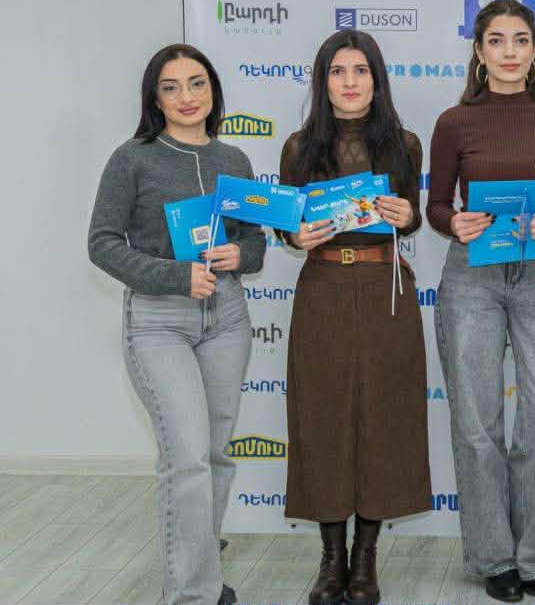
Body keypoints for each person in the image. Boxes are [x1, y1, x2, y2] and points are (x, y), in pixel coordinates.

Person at [88, 44, 265, 605]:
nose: (186, 97)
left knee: (214, 454)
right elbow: (102, 244)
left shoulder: (234, 159)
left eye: (197, 83)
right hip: (159, 321)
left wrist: (242, 254)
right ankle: (191, 595)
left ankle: (202, 574)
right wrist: (174, 275)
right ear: (155, 98)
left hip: (227, 317)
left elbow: (255, 239)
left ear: (213, 90)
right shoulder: (132, 158)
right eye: (171, 87)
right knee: (186, 458)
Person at [427, 0, 535, 603]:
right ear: (479, 51)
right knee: (476, 426)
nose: (509, 52)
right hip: (472, 275)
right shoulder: (454, 122)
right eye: (497, 40)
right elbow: (436, 206)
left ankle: (532, 557)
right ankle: (494, 559)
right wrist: (454, 221)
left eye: (520, 39)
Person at [278, 29, 429, 605]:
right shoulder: (299, 147)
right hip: (323, 288)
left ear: (376, 79)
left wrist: (407, 215)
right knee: (322, 419)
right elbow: (287, 227)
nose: (349, 82)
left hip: (385, 286)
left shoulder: (405, 144)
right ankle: (331, 559)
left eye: (360, 71)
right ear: (322, 82)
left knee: (384, 418)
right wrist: (294, 235)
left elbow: (413, 218)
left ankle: (366, 560)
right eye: (337, 71)